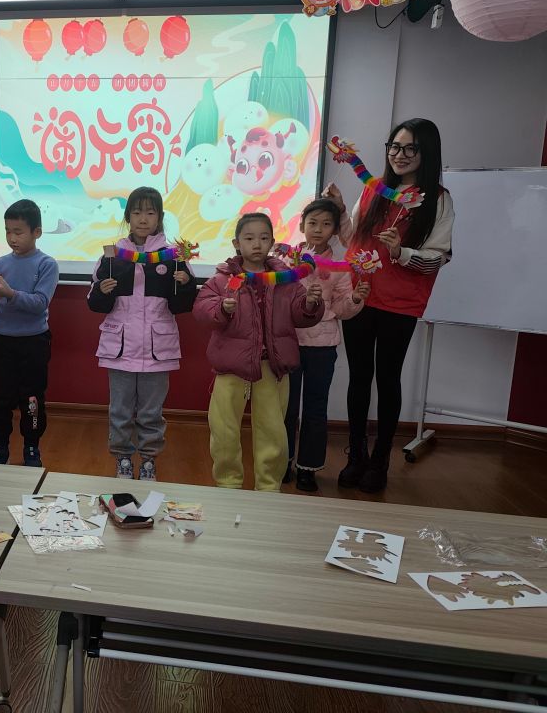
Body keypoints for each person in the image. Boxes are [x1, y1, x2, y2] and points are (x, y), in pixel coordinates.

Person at [327, 118, 454, 493]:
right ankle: (356, 456)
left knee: (387, 377)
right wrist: (340, 211)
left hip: (401, 303)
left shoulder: (438, 200)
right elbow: (353, 240)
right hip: (360, 294)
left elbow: (438, 258)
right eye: (394, 147)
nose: (400, 154)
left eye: (410, 148)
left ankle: (380, 460)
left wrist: (401, 252)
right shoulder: (375, 190)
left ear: (426, 152)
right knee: (359, 377)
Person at [194, 212, 323, 492]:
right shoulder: (223, 278)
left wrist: (311, 304)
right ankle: (228, 483)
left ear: (272, 242)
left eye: (264, 238)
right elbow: (202, 309)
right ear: (236, 243)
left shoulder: (286, 279)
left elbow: (300, 314)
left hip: (272, 367)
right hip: (231, 367)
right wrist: (221, 309)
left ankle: (268, 487)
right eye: (249, 238)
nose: (257, 244)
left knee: (273, 430)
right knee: (224, 429)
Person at [87, 187, 196, 481]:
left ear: (160, 217)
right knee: (120, 411)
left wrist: (186, 284)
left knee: (151, 412)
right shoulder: (112, 256)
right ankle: (122, 458)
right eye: (136, 212)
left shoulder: (173, 256)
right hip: (120, 349)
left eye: (150, 212)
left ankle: (148, 460)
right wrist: (102, 291)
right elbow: (94, 303)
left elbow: (182, 306)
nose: (143, 218)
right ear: (128, 217)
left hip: (157, 350)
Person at [282, 199, 369, 492]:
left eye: (326, 224)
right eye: (313, 223)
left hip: (323, 346)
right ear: (302, 225)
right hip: (290, 341)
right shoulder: (287, 260)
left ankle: (308, 469)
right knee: (286, 407)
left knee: (316, 408)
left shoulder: (340, 268)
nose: (318, 229)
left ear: (334, 230)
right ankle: (283, 462)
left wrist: (355, 299)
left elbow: (342, 309)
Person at [0, 199, 60, 468]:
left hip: (33, 341)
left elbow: (40, 303)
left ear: (36, 232)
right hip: (1, 339)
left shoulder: (47, 264)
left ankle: (31, 446)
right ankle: (0, 446)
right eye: (8, 231)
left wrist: (10, 293)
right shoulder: (1, 263)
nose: (12, 238)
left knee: (32, 397)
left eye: (18, 232)